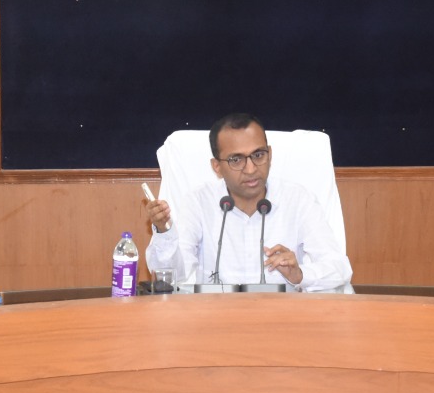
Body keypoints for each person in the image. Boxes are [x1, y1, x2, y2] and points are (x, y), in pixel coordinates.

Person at [143, 113, 352, 292]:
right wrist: (164, 232)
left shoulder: (298, 200)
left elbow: (340, 268)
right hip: (214, 316)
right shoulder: (199, 202)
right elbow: (172, 274)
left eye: (258, 155)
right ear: (217, 167)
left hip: (283, 316)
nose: (251, 169)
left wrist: (300, 275)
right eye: (236, 160)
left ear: (270, 154)